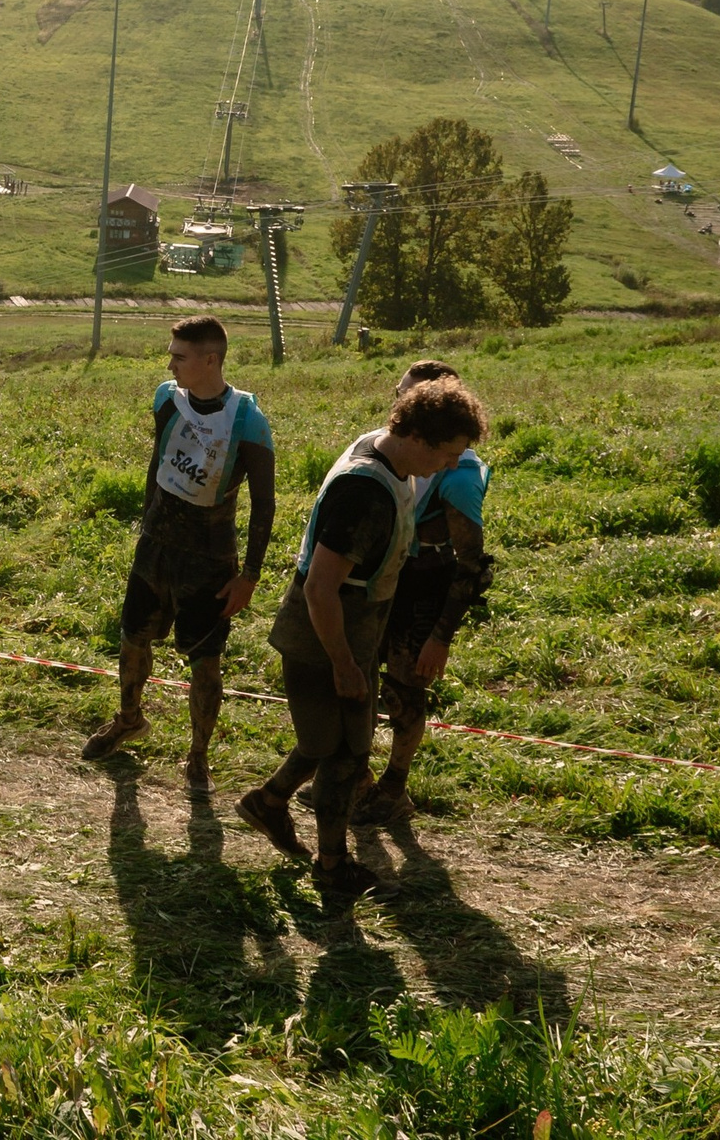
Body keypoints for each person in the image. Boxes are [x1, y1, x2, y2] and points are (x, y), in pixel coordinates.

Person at [236, 376, 487, 894]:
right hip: (326, 634)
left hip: (353, 628)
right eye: (447, 454)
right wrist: (345, 664)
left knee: (330, 741)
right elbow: (321, 590)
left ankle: (268, 802)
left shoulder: (389, 452)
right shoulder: (364, 492)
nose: (450, 467)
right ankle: (330, 867)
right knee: (343, 755)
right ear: (418, 436)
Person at [81, 315, 276, 790]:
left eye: (179, 356)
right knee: (132, 639)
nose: (170, 363)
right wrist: (146, 524)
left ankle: (198, 757)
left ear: (210, 360)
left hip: (209, 560)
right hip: (156, 547)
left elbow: (265, 503)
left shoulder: (249, 420)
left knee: (205, 661)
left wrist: (249, 575)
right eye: (171, 354)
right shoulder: (166, 397)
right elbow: (158, 459)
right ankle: (129, 718)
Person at [353, 360, 495, 826]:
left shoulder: (458, 477)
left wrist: (440, 637)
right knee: (366, 681)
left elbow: (471, 565)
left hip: (423, 593)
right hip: (388, 579)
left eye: (411, 399)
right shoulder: (396, 449)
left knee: (405, 691)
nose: (400, 408)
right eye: (400, 396)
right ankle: (355, 778)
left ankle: (394, 787)